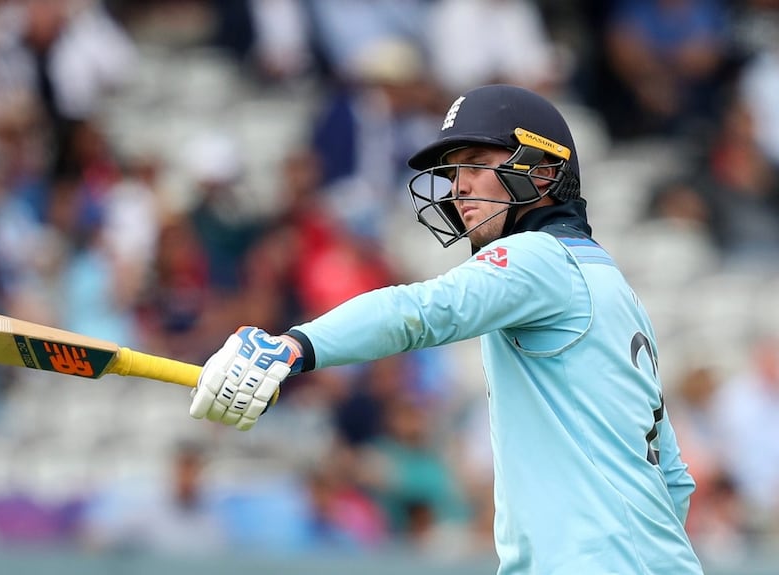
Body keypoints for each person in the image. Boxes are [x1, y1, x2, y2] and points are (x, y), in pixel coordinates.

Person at [188, 84, 704, 574]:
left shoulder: (537, 258)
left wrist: (292, 346)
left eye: (477, 164)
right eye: (453, 172)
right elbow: (673, 478)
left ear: (542, 174)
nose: (459, 186)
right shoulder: (612, 285)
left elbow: (422, 311)